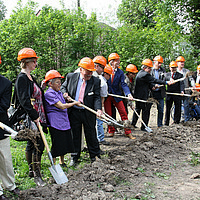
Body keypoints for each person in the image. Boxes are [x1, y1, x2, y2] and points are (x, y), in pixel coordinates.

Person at [61, 57, 102, 166]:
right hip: (74, 111)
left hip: (87, 112)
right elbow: (63, 87)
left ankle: (95, 156)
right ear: (80, 69)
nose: (89, 74)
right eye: (87, 72)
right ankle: (74, 157)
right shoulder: (71, 77)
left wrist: (98, 109)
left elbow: (97, 97)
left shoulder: (95, 81)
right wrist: (65, 94)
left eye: (91, 72)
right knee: (75, 134)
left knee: (91, 134)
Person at [14, 48, 47, 186]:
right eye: (34, 61)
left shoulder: (30, 77)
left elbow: (35, 93)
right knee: (37, 144)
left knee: (32, 143)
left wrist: (42, 87)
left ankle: (32, 171)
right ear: (27, 62)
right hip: (31, 116)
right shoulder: (22, 78)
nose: (36, 64)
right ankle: (37, 175)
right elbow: (24, 100)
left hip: (37, 113)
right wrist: (35, 116)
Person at [44, 70, 81, 167]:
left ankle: (62, 162)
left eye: (60, 82)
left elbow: (62, 99)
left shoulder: (58, 92)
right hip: (55, 122)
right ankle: (54, 164)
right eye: (57, 82)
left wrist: (66, 97)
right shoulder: (49, 94)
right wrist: (74, 103)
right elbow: (61, 106)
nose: (60, 84)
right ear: (50, 83)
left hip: (64, 121)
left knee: (64, 142)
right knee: (57, 143)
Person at [131, 59, 172, 131]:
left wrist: (152, 86)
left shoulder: (141, 73)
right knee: (145, 111)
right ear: (144, 68)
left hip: (138, 95)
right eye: (149, 68)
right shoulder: (145, 74)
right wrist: (166, 82)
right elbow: (154, 79)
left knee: (137, 110)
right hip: (142, 96)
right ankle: (144, 127)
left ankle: (133, 124)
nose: (150, 69)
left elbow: (147, 83)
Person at [0, 56, 20, 200]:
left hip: (1, 126)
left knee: (5, 158)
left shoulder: (5, 83)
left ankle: (10, 185)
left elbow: (4, 106)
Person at [104, 53, 135, 139]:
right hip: (107, 95)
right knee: (108, 114)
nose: (119, 62)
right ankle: (111, 131)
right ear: (111, 61)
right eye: (117, 60)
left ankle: (127, 132)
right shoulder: (105, 70)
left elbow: (124, 84)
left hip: (117, 95)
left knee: (123, 112)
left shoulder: (120, 72)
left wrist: (128, 94)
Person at [93, 56, 110, 145]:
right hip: (92, 104)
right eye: (102, 68)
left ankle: (99, 138)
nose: (103, 70)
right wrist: (101, 107)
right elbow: (102, 97)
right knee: (98, 121)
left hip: (95, 103)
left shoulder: (99, 78)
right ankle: (100, 138)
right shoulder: (101, 82)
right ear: (96, 66)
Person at [164, 61, 185, 125]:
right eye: (172, 68)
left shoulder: (180, 75)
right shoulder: (166, 75)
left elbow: (181, 84)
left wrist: (182, 91)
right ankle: (166, 122)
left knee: (177, 108)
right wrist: (169, 80)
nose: (173, 69)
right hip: (169, 94)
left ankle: (176, 121)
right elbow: (164, 81)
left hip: (177, 94)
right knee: (168, 109)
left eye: (175, 68)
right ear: (170, 68)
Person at [176, 56, 195, 122]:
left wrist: (193, 86)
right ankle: (176, 120)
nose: (182, 63)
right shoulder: (175, 71)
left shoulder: (187, 71)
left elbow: (191, 79)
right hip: (177, 92)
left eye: (183, 62)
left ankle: (186, 120)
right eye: (181, 62)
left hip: (186, 91)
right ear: (177, 63)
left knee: (186, 106)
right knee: (177, 106)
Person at [150, 55, 166, 127]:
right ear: (154, 62)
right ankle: (145, 125)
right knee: (147, 109)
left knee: (161, 110)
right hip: (151, 93)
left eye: (161, 63)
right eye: (158, 63)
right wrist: (152, 86)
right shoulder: (150, 70)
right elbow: (148, 80)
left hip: (160, 93)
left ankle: (160, 124)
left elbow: (164, 79)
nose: (160, 65)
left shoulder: (163, 70)